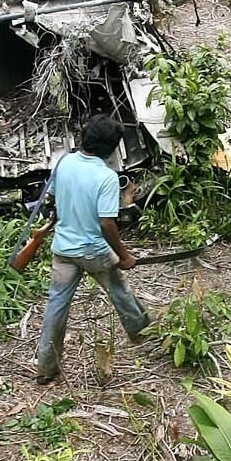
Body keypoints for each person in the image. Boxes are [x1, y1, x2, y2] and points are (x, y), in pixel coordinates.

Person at [35, 115, 151, 385]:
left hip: (63, 247)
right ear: (111, 148)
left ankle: (46, 367)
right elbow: (107, 224)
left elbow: (56, 198)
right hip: (93, 251)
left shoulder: (64, 162)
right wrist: (123, 256)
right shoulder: (106, 177)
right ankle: (144, 335)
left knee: (56, 305)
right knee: (120, 291)